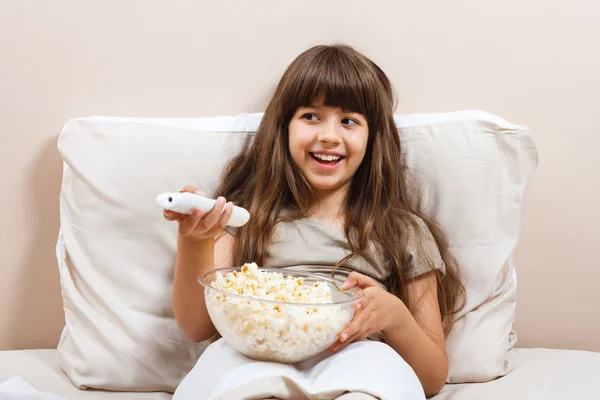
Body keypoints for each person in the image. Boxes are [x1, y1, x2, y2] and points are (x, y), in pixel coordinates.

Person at [163, 43, 465, 398]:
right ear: (284, 127)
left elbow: (431, 378)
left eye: (349, 121)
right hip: (257, 356)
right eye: (311, 116)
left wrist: (395, 316)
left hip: (358, 358)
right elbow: (197, 326)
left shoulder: (402, 232)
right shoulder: (248, 217)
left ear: (373, 139)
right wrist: (195, 240)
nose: (329, 136)